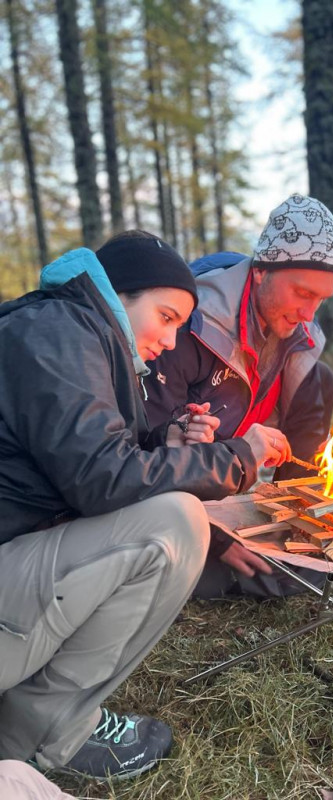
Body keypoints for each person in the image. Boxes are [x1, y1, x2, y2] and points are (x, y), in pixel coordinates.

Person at [0, 230, 289, 781]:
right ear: (119, 294)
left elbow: (69, 464)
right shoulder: (56, 333)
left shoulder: (74, 336)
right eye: (167, 316)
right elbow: (100, 479)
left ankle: (38, 719)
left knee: (170, 510)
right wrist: (236, 456)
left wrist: (167, 443)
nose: (173, 339)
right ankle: (39, 736)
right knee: (176, 524)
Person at [144, 194, 333, 599]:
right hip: (178, 495)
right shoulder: (189, 329)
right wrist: (217, 537)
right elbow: (151, 454)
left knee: (294, 574)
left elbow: (305, 435)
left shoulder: (299, 342)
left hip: (235, 483)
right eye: (303, 293)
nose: (310, 312)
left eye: (321, 299)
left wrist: (297, 526)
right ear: (260, 272)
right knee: (206, 574)